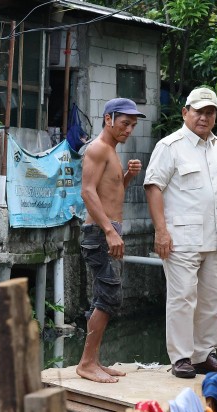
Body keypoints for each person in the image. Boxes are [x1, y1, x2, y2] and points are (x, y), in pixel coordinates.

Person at [144, 87, 217, 378]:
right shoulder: (170, 146)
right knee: (183, 297)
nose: (204, 117)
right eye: (199, 111)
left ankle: (204, 354)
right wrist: (161, 231)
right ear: (186, 112)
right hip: (182, 237)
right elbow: (153, 187)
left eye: (210, 112)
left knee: (211, 298)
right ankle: (181, 358)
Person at [77, 98, 145, 383]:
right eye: (124, 123)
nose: (129, 130)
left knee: (104, 297)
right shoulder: (97, 149)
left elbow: (112, 192)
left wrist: (128, 175)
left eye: (132, 125)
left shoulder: (111, 151)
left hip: (108, 231)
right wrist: (109, 230)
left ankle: (93, 360)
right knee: (108, 296)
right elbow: (87, 192)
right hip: (100, 233)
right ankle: (86, 363)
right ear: (108, 119)